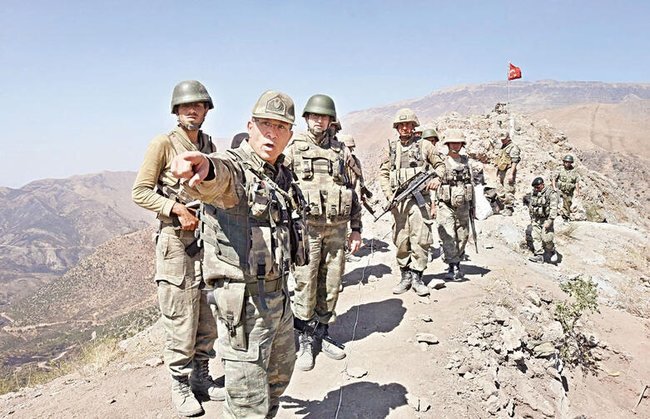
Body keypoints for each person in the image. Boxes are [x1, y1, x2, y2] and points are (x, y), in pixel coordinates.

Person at [170, 90, 306, 418]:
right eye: (265, 124)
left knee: (277, 380)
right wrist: (204, 167)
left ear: (289, 135)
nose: (271, 133)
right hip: (245, 308)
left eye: (280, 126)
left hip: (279, 298)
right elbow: (219, 177)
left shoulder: (280, 173)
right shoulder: (237, 168)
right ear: (250, 126)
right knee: (247, 403)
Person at [131, 80, 221, 417]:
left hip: (206, 239)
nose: (192, 111)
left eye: (198, 105)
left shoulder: (208, 145)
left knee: (207, 315)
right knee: (180, 317)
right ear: (176, 111)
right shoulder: (163, 144)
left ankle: (201, 376)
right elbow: (140, 192)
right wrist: (176, 209)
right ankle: (180, 385)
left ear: (207, 110)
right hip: (175, 242)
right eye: (186, 106)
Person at [283, 94, 362, 371]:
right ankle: (305, 337)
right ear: (307, 118)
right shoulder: (293, 149)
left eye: (324, 117)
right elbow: (279, 186)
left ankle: (323, 332)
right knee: (305, 282)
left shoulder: (342, 151)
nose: (319, 121)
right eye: (314, 116)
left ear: (331, 121)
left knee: (331, 282)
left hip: (337, 229)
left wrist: (356, 229)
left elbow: (352, 191)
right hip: (307, 230)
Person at [379, 108, 445, 296]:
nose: (405, 128)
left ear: (414, 126)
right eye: (401, 125)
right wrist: (389, 196)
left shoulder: (425, 146)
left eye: (408, 124)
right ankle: (405, 276)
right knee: (401, 239)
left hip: (419, 201)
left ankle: (417, 277)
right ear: (396, 127)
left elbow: (440, 166)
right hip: (399, 202)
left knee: (421, 239)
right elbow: (383, 174)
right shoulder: (391, 148)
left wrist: (437, 178)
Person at [433, 129, 475, 279]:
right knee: (448, 235)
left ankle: (458, 261)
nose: (456, 146)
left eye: (458, 143)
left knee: (463, 235)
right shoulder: (441, 163)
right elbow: (435, 186)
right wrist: (433, 206)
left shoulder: (466, 162)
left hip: (464, 204)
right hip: (445, 204)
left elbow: (471, 184)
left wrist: (473, 207)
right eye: (453, 143)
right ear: (448, 144)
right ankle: (453, 265)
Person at [526, 177, 559, 264]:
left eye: (538, 187)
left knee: (547, 239)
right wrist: (532, 218)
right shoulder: (534, 192)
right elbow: (531, 205)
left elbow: (554, 208)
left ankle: (552, 250)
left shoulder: (550, 193)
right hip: (536, 219)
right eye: (535, 187)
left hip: (546, 219)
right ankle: (539, 255)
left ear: (542, 185)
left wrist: (550, 221)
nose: (536, 189)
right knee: (536, 237)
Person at [495, 130, 521, 216]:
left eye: (504, 139)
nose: (502, 140)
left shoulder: (513, 147)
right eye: (501, 139)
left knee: (508, 188)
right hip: (501, 170)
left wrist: (511, 174)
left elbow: (514, 161)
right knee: (499, 188)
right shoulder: (503, 147)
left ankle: (509, 208)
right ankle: (503, 206)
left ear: (508, 138)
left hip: (509, 169)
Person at [552, 154, 580, 220]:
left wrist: (577, 192)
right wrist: (554, 188)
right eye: (566, 162)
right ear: (564, 162)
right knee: (557, 204)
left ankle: (566, 217)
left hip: (569, 192)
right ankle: (557, 217)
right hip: (560, 191)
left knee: (568, 204)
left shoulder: (574, 171)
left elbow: (576, 182)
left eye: (569, 162)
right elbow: (554, 179)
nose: (567, 163)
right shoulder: (560, 169)